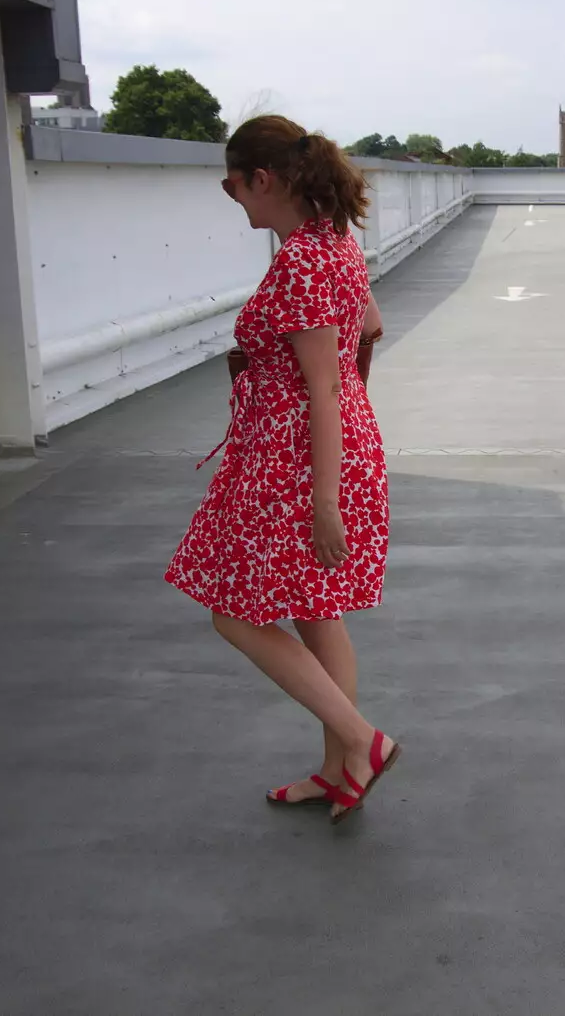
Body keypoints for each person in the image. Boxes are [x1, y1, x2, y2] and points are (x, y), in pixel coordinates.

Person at [165, 115, 398, 825]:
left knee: (233, 612)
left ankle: (363, 742)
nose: (232, 198)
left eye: (232, 185)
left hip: (293, 459)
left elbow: (321, 385)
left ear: (263, 179)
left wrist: (324, 497)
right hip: (330, 444)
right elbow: (371, 326)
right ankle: (339, 772)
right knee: (317, 614)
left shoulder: (300, 260)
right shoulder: (333, 243)